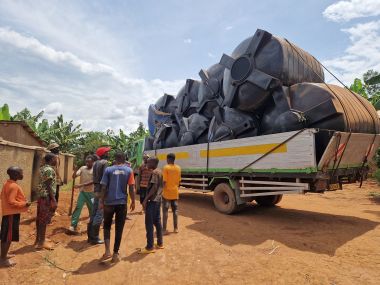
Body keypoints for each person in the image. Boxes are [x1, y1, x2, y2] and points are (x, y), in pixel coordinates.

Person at [99, 152, 135, 262]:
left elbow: (104, 187)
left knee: (107, 226)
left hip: (109, 203)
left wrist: (101, 201)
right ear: (124, 159)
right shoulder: (129, 170)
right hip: (121, 203)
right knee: (119, 228)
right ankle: (115, 253)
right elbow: (131, 188)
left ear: (115, 159)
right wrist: (133, 201)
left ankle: (107, 251)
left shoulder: (108, 170)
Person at [0, 167, 31, 267]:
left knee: (6, 236)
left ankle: (3, 255)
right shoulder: (13, 186)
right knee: (7, 237)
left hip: (8, 213)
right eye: (21, 172)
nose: (22, 174)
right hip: (11, 214)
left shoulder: (7, 184)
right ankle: (3, 259)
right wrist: (24, 204)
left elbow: (2, 196)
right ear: (16, 175)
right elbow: (11, 201)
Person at [139, 156, 163, 254]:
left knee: (149, 223)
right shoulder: (160, 171)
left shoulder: (154, 172)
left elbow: (154, 187)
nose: (147, 164)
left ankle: (149, 247)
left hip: (152, 201)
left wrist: (145, 199)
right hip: (158, 199)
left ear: (153, 163)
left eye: (148, 163)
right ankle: (160, 243)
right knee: (157, 221)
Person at [88, 146, 111, 245]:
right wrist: (105, 193)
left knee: (94, 212)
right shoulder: (105, 163)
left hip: (96, 189)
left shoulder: (96, 163)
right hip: (102, 190)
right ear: (103, 154)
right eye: (107, 152)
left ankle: (90, 236)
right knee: (100, 213)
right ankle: (95, 237)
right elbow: (105, 179)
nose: (108, 154)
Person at [35, 153, 58, 250]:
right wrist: (53, 199)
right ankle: (41, 242)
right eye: (56, 159)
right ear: (52, 159)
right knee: (43, 219)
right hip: (46, 197)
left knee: (40, 218)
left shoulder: (42, 168)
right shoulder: (49, 170)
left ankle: (39, 239)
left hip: (41, 197)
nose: (57, 161)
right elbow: (48, 185)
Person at [68, 155, 95, 233]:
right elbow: (74, 176)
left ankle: (93, 225)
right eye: (86, 162)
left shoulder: (95, 170)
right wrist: (75, 170)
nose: (87, 163)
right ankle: (73, 226)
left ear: (93, 162)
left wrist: (81, 185)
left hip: (91, 193)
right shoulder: (82, 168)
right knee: (78, 208)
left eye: (89, 162)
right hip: (83, 193)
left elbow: (93, 181)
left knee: (92, 209)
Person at [162, 153, 181, 234]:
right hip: (175, 192)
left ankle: (164, 229)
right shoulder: (178, 168)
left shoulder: (166, 168)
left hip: (166, 193)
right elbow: (179, 181)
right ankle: (176, 228)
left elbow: (164, 181)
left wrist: (160, 191)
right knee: (175, 210)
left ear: (168, 159)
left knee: (165, 211)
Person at [47, 142, 62, 215]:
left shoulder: (48, 157)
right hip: (54, 178)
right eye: (57, 148)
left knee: (50, 194)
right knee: (55, 194)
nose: (58, 149)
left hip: (50, 178)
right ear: (53, 149)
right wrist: (60, 179)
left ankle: (50, 210)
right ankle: (52, 211)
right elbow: (56, 169)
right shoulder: (55, 157)